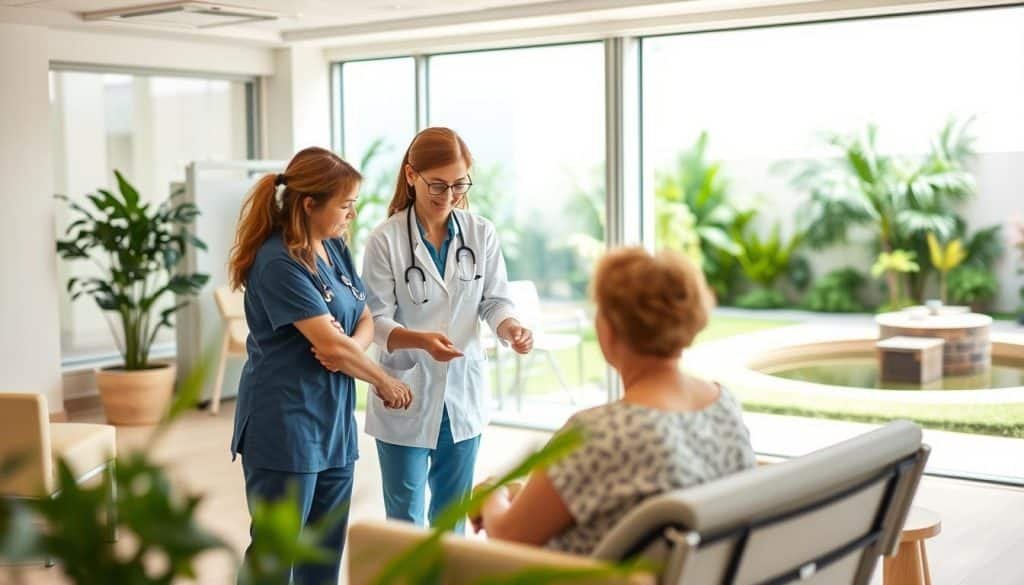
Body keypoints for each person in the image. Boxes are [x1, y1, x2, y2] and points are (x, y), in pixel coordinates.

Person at [471, 247, 756, 554]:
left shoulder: (600, 433)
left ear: (609, 329)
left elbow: (508, 535)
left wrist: (491, 496)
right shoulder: (722, 405)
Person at [227, 146, 412, 585]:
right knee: (274, 555)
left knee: (324, 552)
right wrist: (383, 379)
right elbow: (331, 343)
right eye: (344, 204)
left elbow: (363, 318)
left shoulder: (334, 247)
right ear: (309, 204)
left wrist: (344, 346)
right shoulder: (277, 263)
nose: (351, 214)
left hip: (333, 424)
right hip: (284, 425)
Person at [359, 127, 533, 533]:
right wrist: (420, 341)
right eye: (437, 184)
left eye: (459, 184)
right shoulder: (385, 240)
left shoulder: (481, 232)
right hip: (405, 389)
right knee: (404, 521)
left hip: (461, 393)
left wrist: (511, 327)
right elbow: (375, 319)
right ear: (410, 176)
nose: (449, 195)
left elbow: (494, 300)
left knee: (450, 521)